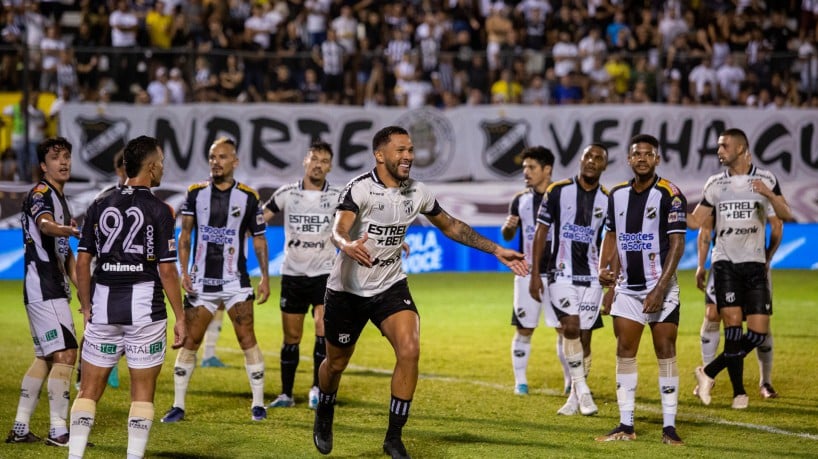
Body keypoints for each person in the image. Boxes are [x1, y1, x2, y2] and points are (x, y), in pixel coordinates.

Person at [312, 126, 528, 458]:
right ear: (380, 155)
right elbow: (339, 228)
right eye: (401, 150)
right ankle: (325, 410)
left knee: (410, 350)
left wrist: (497, 250)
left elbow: (452, 225)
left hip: (390, 284)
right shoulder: (360, 189)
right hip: (347, 291)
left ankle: (393, 438)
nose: (409, 156)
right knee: (336, 363)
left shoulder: (418, 192)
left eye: (411, 150)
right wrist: (346, 244)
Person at [68, 135, 187, 458]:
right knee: (142, 395)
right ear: (150, 167)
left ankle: (74, 455)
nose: (162, 166)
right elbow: (166, 271)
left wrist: (87, 303)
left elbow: (81, 261)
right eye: (160, 161)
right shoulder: (161, 210)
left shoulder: (99, 204)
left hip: (104, 306)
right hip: (144, 311)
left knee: (89, 391)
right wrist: (181, 316)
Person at [161, 137, 270, 423]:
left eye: (222, 157)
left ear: (234, 162)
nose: (215, 162)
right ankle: (178, 405)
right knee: (191, 341)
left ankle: (258, 403)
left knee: (247, 338)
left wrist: (266, 278)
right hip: (202, 283)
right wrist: (184, 272)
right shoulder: (195, 194)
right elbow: (184, 236)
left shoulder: (248, 197)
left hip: (236, 281)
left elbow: (259, 240)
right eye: (212, 157)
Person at [595, 134, 686, 445]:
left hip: (661, 288)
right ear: (629, 159)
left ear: (657, 159)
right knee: (624, 351)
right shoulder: (617, 194)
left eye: (649, 154)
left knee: (665, 351)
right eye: (637, 154)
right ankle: (626, 424)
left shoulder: (670, 194)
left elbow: (677, 244)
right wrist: (604, 272)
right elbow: (611, 235)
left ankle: (670, 427)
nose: (643, 158)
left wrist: (660, 289)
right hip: (628, 289)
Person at [691, 128, 791, 409]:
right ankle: (736, 391)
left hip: (756, 263)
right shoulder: (715, 184)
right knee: (719, 319)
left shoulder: (766, 179)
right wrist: (701, 264)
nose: (719, 150)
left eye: (723, 146)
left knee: (760, 330)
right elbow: (702, 225)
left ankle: (720, 374)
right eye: (718, 146)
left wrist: (769, 254)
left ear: (741, 148)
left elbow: (782, 218)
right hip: (724, 264)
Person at [7, 137, 80, 446]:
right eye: (55, 158)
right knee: (66, 352)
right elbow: (47, 226)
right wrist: (68, 229)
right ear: (43, 165)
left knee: (46, 358)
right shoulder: (40, 194)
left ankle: (21, 428)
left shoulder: (62, 199)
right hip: (44, 285)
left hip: (52, 287)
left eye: (66, 156)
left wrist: (86, 296)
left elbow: (67, 256)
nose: (62, 162)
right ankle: (59, 430)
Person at [529, 143, 610, 416]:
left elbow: (610, 241)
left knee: (585, 338)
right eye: (588, 155)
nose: (591, 161)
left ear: (604, 166)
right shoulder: (558, 191)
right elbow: (541, 232)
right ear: (580, 159)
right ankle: (584, 390)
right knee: (571, 328)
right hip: (560, 273)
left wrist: (610, 282)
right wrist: (534, 275)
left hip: (592, 277)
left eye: (598, 158)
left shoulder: (608, 200)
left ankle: (575, 397)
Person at [263, 140, 342, 410]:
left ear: (330, 167)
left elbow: (359, 222)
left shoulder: (338, 196)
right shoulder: (287, 193)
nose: (318, 164)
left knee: (322, 329)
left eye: (324, 160)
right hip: (294, 275)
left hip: (324, 274)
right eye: (314, 158)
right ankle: (286, 394)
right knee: (292, 338)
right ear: (305, 162)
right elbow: (260, 217)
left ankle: (316, 390)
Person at [500, 146, 570, 397]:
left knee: (564, 329)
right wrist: (508, 229)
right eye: (524, 168)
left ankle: (570, 381)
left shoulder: (564, 197)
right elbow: (509, 234)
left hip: (558, 273)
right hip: (526, 272)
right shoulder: (520, 200)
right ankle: (520, 381)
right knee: (524, 329)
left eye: (531, 168)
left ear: (547, 170)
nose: (526, 173)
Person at [75, 150, 128, 391]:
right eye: (126, 167)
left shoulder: (144, 199)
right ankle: (81, 372)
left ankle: (112, 363)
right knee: (95, 326)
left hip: (130, 275)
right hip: (104, 274)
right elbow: (89, 246)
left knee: (130, 325)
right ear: (118, 171)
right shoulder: (104, 199)